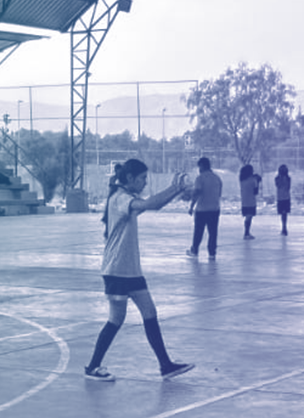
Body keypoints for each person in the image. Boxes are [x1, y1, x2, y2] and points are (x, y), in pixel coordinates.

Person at [82, 159, 195, 382]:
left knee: (149, 313)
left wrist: (176, 190)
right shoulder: (121, 198)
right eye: (142, 178)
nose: (145, 183)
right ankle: (93, 367)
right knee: (116, 320)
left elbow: (153, 204)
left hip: (130, 271)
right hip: (117, 270)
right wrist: (175, 187)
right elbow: (150, 204)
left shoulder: (126, 198)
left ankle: (165, 365)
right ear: (130, 178)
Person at [186, 157, 223, 259]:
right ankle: (212, 253)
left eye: (199, 167)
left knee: (198, 231)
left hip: (202, 209)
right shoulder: (217, 178)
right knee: (213, 232)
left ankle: (195, 250)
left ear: (202, 166)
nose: (199, 169)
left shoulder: (200, 178)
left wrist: (191, 206)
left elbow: (197, 192)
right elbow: (219, 194)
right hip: (214, 209)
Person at [238, 164, 263, 240]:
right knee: (249, 217)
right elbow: (255, 192)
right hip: (251, 201)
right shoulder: (253, 180)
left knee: (247, 217)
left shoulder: (242, 180)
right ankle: (246, 233)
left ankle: (247, 233)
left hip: (244, 201)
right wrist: (257, 182)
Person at [274, 165, 293, 236]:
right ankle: (284, 227)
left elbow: (279, 186)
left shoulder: (278, 178)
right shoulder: (287, 178)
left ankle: (284, 227)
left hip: (281, 198)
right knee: (284, 213)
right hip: (285, 197)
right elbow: (287, 187)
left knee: (283, 213)